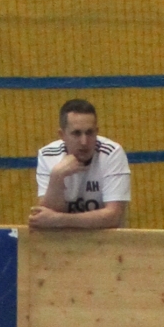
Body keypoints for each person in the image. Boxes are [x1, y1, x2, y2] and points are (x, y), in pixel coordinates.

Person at [31, 99, 130, 230]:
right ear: (62, 135)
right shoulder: (48, 155)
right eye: (76, 133)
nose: (84, 142)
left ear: (97, 131)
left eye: (90, 133)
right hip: (63, 241)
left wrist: (59, 219)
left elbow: (113, 216)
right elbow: (45, 219)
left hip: (105, 240)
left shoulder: (112, 153)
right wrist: (57, 176)